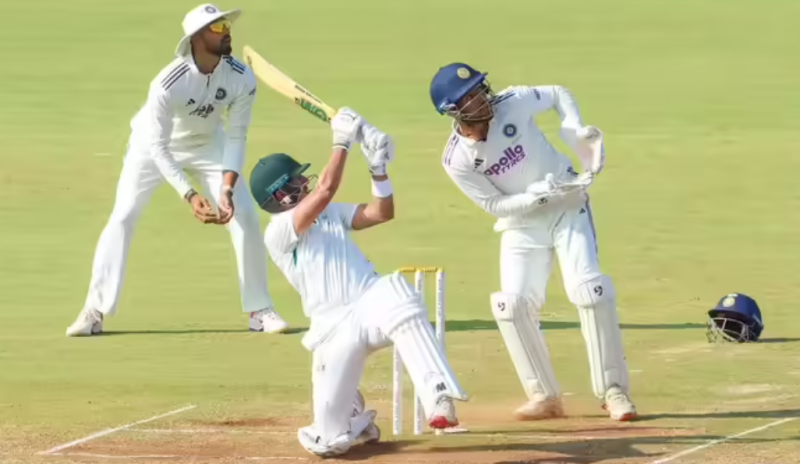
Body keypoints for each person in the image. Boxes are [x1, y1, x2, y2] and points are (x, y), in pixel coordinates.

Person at [249, 108, 468, 457]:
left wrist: (378, 169)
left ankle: (438, 395)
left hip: (370, 301)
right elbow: (325, 189)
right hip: (332, 330)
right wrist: (342, 142)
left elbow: (381, 212)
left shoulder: (329, 213)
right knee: (328, 443)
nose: (304, 181)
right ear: (280, 195)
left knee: (397, 290)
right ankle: (356, 420)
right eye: (295, 180)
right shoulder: (278, 232)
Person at [429, 62, 637, 421]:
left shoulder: (511, 102)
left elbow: (557, 93)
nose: (483, 98)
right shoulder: (457, 159)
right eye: (471, 96)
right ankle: (544, 396)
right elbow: (494, 205)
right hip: (521, 223)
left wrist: (573, 128)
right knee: (511, 306)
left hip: (567, 204)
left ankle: (614, 391)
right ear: (453, 110)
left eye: (480, 89)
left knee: (590, 291)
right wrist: (535, 196)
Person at [66, 4, 288, 336]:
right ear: (196, 38)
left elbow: (237, 135)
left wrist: (227, 186)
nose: (227, 31)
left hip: (208, 144)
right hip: (152, 146)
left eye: (226, 25)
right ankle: (93, 312)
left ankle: (260, 309)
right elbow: (158, 148)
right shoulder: (168, 83)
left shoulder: (241, 77)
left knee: (243, 212)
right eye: (217, 28)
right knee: (123, 215)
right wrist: (189, 194)